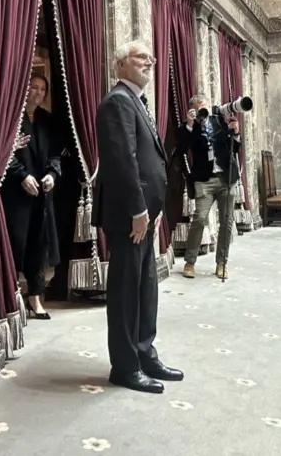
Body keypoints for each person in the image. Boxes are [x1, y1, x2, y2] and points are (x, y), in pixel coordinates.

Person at [93, 40, 182, 394]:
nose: (151, 61)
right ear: (120, 65)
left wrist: (152, 209)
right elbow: (122, 160)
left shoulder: (136, 101)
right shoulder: (117, 101)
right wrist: (138, 209)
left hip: (144, 215)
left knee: (146, 288)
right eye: (141, 57)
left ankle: (145, 353)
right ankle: (126, 366)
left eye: (151, 57)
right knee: (127, 290)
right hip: (130, 215)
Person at [1, 75, 61, 319]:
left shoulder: (48, 120)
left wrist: (52, 176)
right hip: (16, 191)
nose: (37, 92)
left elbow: (55, 156)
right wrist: (21, 175)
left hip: (42, 193)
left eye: (42, 89)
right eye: (33, 87)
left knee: (39, 244)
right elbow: (1, 151)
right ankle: (12, 295)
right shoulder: (11, 117)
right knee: (17, 243)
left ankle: (35, 297)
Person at [174, 94, 241, 280]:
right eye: (199, 109)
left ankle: (222, 263)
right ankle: (190, 261)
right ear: (193, 111)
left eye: (205, 107)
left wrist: (235, 133)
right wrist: (189, 124)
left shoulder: (219, 121)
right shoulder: (190, 128)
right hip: (204, 180)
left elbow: (233, 149)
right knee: (199, 218)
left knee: (227, 222)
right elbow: (181, 149)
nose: (204, 112)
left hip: (226, 178)